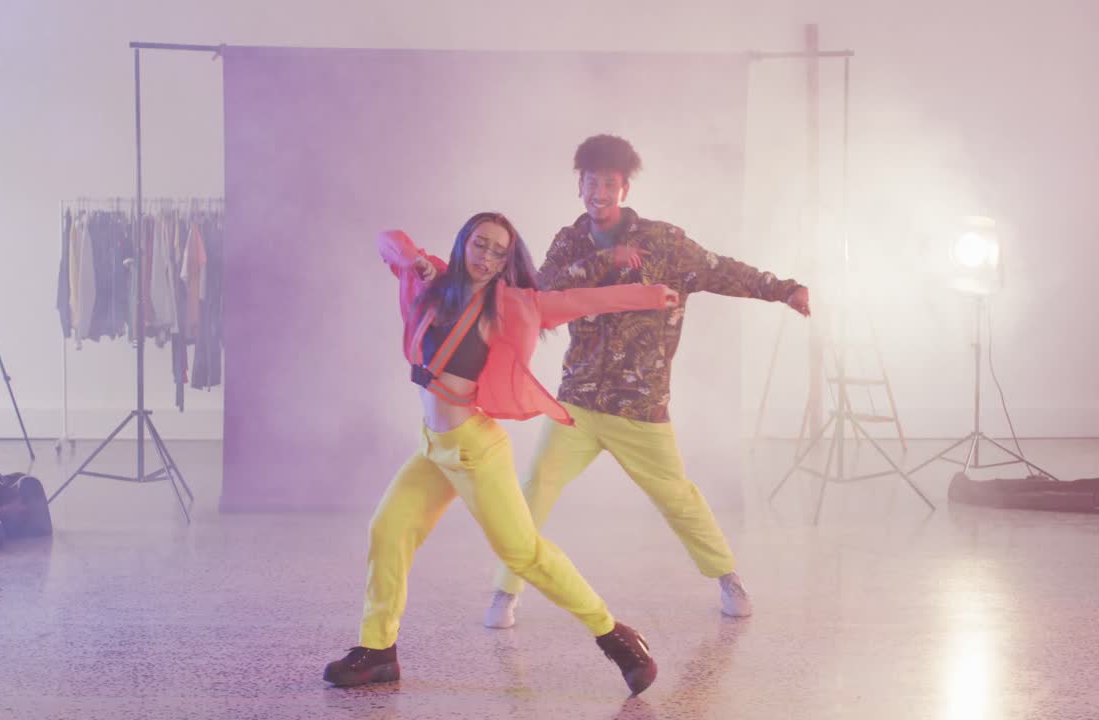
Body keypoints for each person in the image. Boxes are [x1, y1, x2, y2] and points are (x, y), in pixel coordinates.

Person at [324, 212, 681, 696]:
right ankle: (378, 650)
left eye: (499, 252)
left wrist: (645, 296)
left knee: (523, 553)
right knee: (388, 530)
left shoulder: (511, 305)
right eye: (480, 244)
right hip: (435, 448)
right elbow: (386, 239)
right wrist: (415, 261)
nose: (488, 258)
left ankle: (615, 635)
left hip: (475, 449)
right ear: (462, 243)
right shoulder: (434, 283)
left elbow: (576, 301)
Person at [485, 135, 811, 629]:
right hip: (579, 403)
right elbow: (541, 292)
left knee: (678, 497)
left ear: (624, 186)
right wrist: (605, 261)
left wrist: (785, 290)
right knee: (534, 488)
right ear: (580, 185)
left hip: (641, 408)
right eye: (590, 182)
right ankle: (504, 593)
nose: (598, 192)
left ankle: (727, 578)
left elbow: (723, 271)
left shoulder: (664, 242)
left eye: (608, 184)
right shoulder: (569, 242)